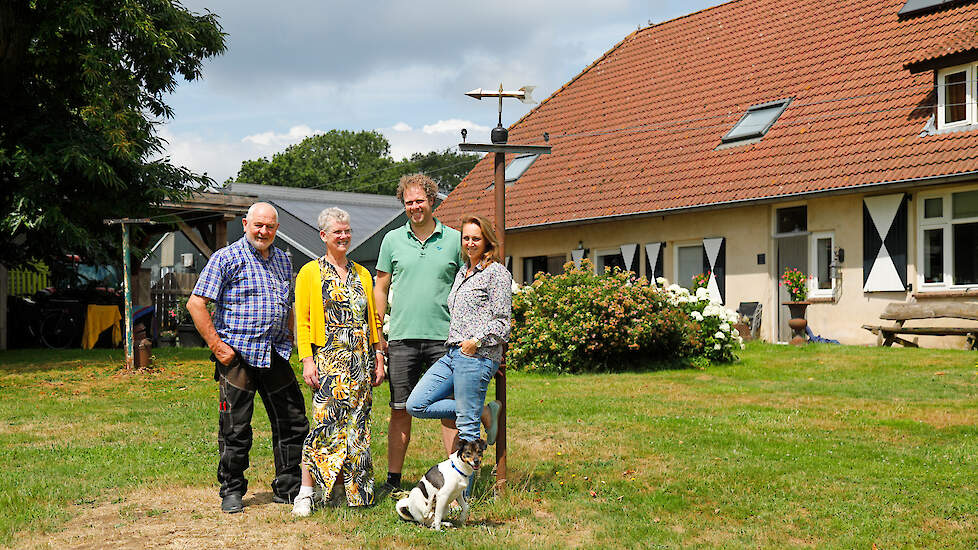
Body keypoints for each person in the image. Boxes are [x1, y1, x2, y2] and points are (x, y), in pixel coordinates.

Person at [187, 202, 309, 514]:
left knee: (293, 422)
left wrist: (290, 335)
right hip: (237, 354)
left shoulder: (283, 259)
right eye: (258, 225)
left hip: (275, 351)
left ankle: (289, 486)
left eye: (269, 226)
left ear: (276, 229)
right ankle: (231, 489)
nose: (263, 231)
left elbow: (288, 304)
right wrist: (217, 347)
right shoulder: (226, 257)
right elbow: (196, 304)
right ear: (245, 224)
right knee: (235, 427)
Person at [291, 208, 385, 516]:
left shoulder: (362, 273)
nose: (344, 236)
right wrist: (307, 359)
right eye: (337, 232)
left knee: (357, 426)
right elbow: (302, 321)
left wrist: (379, 356)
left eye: (347, 231)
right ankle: (307, 493)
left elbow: (373, 319)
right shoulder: (309, 272)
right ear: (324, 236)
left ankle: (354, 493)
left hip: (361, 359)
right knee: (325, 426)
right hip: (329, 360)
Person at [374, 174, 462, 494]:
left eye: (419, 201)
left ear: (432, 200)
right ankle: (393, 480)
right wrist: (378, 331)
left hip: (445, 338)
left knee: (449, 410)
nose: (415, 207)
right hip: (401, 337)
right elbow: (381, 286)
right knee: (400, 409)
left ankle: (455, 480)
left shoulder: (454, 240)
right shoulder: (392, 240)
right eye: (409, 202)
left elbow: (466, 286)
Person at [405, 214, 510, 457]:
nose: (470, 243)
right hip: (452, 353)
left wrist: (477, 342)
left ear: (487, 241)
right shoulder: (463, 271)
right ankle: (483, 412)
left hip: (477, 356)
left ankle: (461, 495)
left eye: (476, 238)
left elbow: (503, 322)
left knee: (466, 428)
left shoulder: (496, 273)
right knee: (416, 404)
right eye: (466, 238)